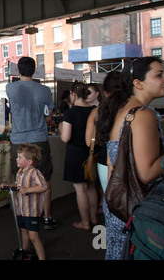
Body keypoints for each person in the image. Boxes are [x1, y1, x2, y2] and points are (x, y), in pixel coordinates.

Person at [96, 56, 164, 260]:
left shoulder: (121, 110)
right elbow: (146, 173)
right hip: (138, 207)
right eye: (159, 75)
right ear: (137, 83)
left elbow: (113, 162)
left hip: (118, 203)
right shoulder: (143, 114)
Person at [6, 56, 57, 230]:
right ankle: (47, 218)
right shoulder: (44, 90)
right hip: (39, 139)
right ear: (34, 70)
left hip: (18, 140)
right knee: (44, 180)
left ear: (18, 71)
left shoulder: (10, 88)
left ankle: (21, 215)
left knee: (19, 177)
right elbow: (49, 118)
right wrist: (43, 118)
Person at [60, 81, 98, 231]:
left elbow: (65, 138)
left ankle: (85, 223)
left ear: (74, 94)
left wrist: (63, 124)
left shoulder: (71, 113)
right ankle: (94, 217)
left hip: (75, 153)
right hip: (93, 153)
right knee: (91, 187)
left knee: (80, 189)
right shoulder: (95, 110)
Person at [0, 143, 48, 260]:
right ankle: (25, 251)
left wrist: (27, 189)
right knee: (23, 230)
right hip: (21, 209)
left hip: (31, 210)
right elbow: (18, 186)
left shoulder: (35, 173)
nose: (16, 159)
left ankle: (42, 258)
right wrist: (9, 185)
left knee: (33, 236)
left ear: (29, 161)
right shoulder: (20, 172)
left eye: (19, 157)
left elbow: (43, 186)